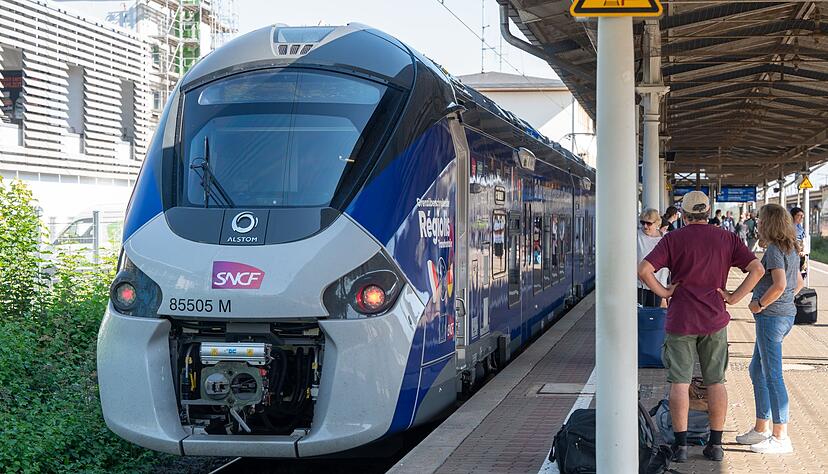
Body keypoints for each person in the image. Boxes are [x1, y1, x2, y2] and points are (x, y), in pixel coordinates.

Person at [638, 191, 764, 463]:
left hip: (680, 320)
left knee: (679, 384)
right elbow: (758, 270)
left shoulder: (673, 238)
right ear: (708, 213)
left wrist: (665, 291)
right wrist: (733, 297)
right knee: (715, 382)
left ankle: (681, 447)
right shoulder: (727, 238)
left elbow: (644, 269)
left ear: (683, 215)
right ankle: (715, 445)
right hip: (714, 320)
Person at [734, 203, 804, 454]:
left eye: (761, 220)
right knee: (757, 369)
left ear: (769, 223)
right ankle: (762, 427)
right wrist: (784, 302)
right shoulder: (792, 248)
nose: (758, 223)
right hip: (784, 316)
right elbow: (798, 283)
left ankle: (780, 436)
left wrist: (760, 303)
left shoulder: (775, 250)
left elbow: (781, 283)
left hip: (771, 318)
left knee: (773, 375)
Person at [637, 209, 668, 307]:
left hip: (658, 285)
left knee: (654, 316)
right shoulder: (636, 236)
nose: (645, 226)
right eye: (643, 222)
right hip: (639, 285)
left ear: (657, 224)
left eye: (649, 223)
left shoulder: (666, 238)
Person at [790, 207, 807, 275]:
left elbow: (803, 240)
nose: (801, 218)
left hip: (800, 253)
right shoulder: (788, 227)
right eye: (799, 215)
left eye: (802, 216)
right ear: (793, 216)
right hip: (792, 252)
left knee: (801, 273)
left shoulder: (800, 227)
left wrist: (803, 250)